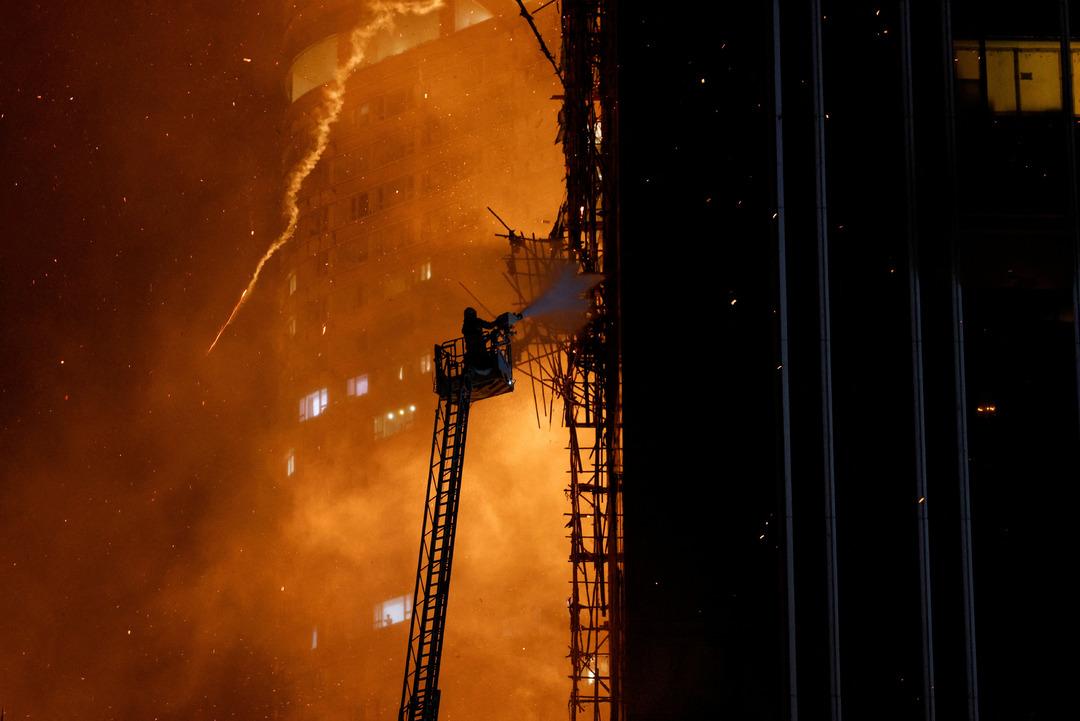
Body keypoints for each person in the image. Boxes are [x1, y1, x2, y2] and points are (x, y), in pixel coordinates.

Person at [462, 307, 496, 374]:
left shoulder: (466, 326)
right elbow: (489, 325)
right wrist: (497, 323)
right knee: (492, 356)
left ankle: (467, 375)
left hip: (473, 353)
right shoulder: (476, 322)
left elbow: (489, 326)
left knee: (470, 359)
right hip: (479, 352)